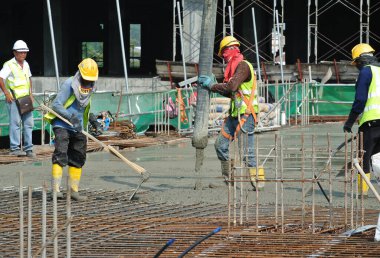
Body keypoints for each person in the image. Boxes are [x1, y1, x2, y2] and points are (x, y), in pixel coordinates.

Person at [198, 35, 264, 190]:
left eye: (224, 53)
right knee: (220, 144)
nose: (224, 57)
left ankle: (258, 182)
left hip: (247, 115)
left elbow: (231, 87)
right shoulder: (234, 68)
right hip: (235, 115)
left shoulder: (243, 66)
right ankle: (230, 179)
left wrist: (212, 85)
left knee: (247, 152)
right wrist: (215, 85)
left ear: (232, 49)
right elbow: (230, 92)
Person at [44, 58, 98, 201]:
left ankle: (73, 191)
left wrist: (92, 119)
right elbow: (56, 105)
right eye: (86, 79)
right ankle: (55, 190)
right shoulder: (69, 84)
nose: (88, 83)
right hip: (62, 125)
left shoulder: (91, 85)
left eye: (90, 80)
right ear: (80, 74)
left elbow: (84, 106)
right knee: (61, 154)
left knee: (78, 157)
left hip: (78, 126)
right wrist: (70, 117)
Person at [344, 43, 380, 197]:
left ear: (361, 60)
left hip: (371, 124)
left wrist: (349, 122)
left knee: (363, 157)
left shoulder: (366, 72)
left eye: (356, 63)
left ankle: (362, 194)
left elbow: (360, 100)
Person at [0, 40, 35, 157]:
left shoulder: (26, 64)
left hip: (25, 98)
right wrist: (6, 93)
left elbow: (29, 79)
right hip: (14, 99)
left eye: (25, 52)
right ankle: (14, 148)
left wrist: (31, 94)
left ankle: (28, 148)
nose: (23, 54)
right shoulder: (9, 65)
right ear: (15, 53)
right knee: (15, 124)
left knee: (28, 123)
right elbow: (1, 78)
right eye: (21, 52)